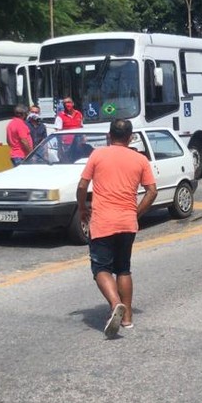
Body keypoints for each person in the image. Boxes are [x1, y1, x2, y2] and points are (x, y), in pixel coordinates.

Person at [76, 119, 158, 338]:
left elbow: (83, 185)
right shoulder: (140, 159)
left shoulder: (98, 155)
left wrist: (82, 207)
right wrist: (136, 213)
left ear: (109, 135)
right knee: (123, 268)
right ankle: (128, 318)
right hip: (127, 222)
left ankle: (115, 305)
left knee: (101, 268)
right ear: (130, 137)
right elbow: (152, 191)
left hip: (103, 221)